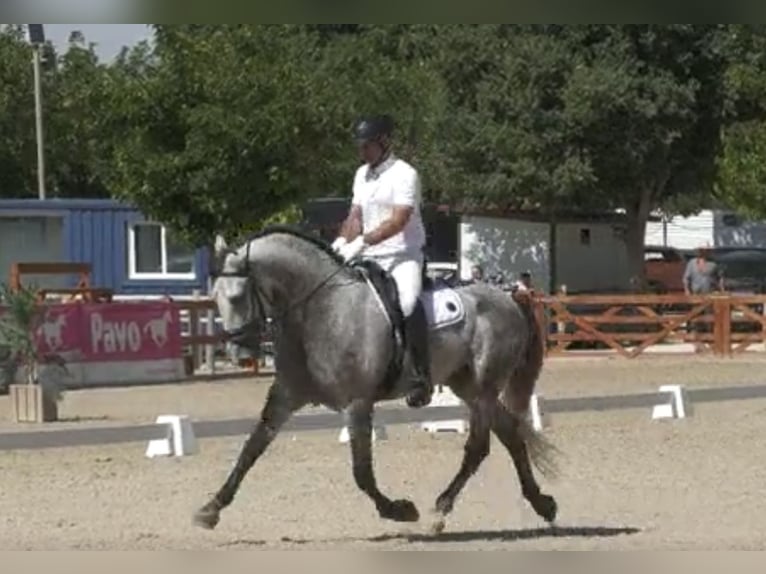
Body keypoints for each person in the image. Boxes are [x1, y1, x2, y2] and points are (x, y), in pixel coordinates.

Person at [331, 115, 433, 408]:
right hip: (369, 255)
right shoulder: (361, 174)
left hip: (402, 254)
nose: (361, 152)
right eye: (360, 147)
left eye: (366, 146)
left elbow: (399, 220)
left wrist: (364, 241)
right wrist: (342, 242)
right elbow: (355, 216)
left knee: (408, 302)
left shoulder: (405, 174)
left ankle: (419, 376)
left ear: (384, 142)